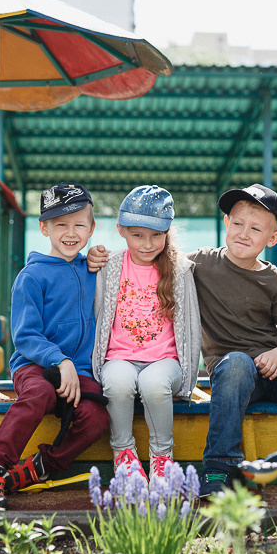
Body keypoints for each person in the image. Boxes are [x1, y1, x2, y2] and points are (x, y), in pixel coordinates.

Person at [89, 183, 277, 500]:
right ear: (226, 224)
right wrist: (101, 254)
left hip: (276, 370)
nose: (244, 234)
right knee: (237, 363)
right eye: (237, 223)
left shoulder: (274, 280)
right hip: (232, 372)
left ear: (273, 238)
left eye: (256, 228)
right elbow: (150, 254)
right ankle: (219, 465)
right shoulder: (199, 264)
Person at [0, 183, 110, 506]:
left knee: (97, 418)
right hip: (36, 365)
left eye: (79, 224)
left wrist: (99, 255)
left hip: (80, 371)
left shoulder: (92, 270)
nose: (70, 232)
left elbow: (129, 263)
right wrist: (60, 362)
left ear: (91, 228)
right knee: (41, 393)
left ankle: (41, 467)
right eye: (61, 224)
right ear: (44, 227)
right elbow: (26, 336)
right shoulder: (31, 277)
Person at [92, 185, 201, 481]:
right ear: (121, 230)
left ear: (167, 233)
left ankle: (162, 457)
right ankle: (124, 453)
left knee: (153, 383)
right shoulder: (109, 267)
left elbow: (191, 325)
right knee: (117, 382)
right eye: (138, 235)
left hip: (166, 361)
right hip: (119, 357)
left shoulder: (178, 270)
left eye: (156, 235)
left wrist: (188, 378)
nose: (148, 243)